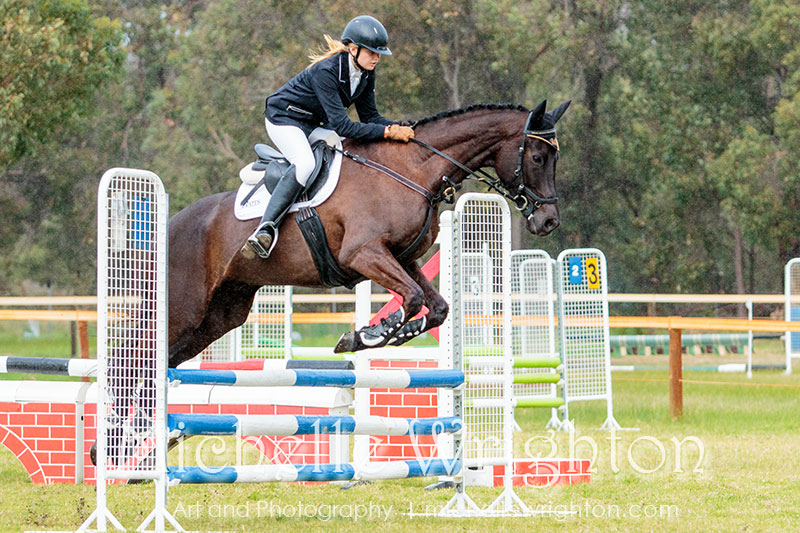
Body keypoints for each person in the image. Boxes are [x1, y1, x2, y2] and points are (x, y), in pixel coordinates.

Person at [242, 15, 415, 259]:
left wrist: (402, 127)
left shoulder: (365, 73)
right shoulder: (326, 71)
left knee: (342, 150)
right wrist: (388, 132)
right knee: (305, 164)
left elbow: (370, 117)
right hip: (284, 119)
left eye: (379, 53)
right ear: (353, 49)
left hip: (312, 123)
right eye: (372, 52)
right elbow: (344, 126)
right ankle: (265, 228)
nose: (377, 58)